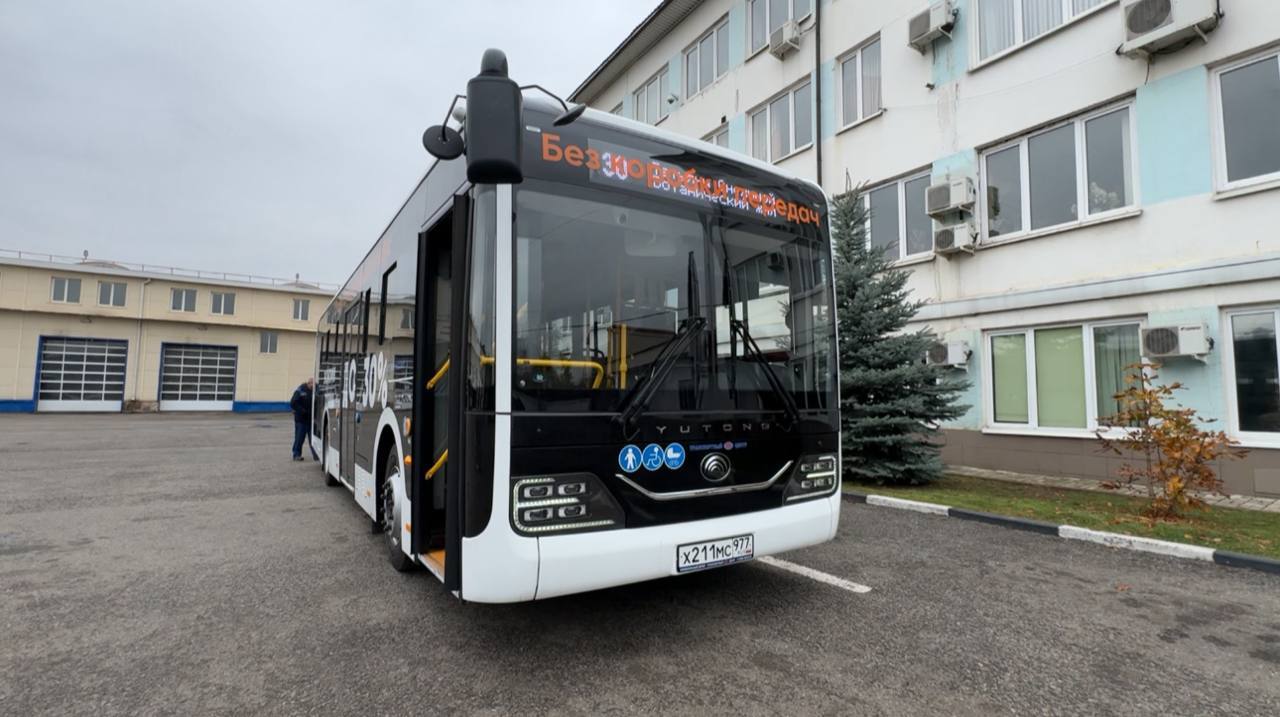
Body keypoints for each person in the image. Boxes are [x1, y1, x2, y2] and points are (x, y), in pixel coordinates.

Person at [290, 378, 315, 461]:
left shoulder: (315, 390)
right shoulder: (300, 390)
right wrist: (302, 411)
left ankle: (316, 455)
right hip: (301, 419)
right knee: (299, 438)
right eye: (312, 384)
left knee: (313, 439)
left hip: (311, 419)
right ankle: (296, 454)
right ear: (308, 383)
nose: (313, 386)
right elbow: (293, 403)